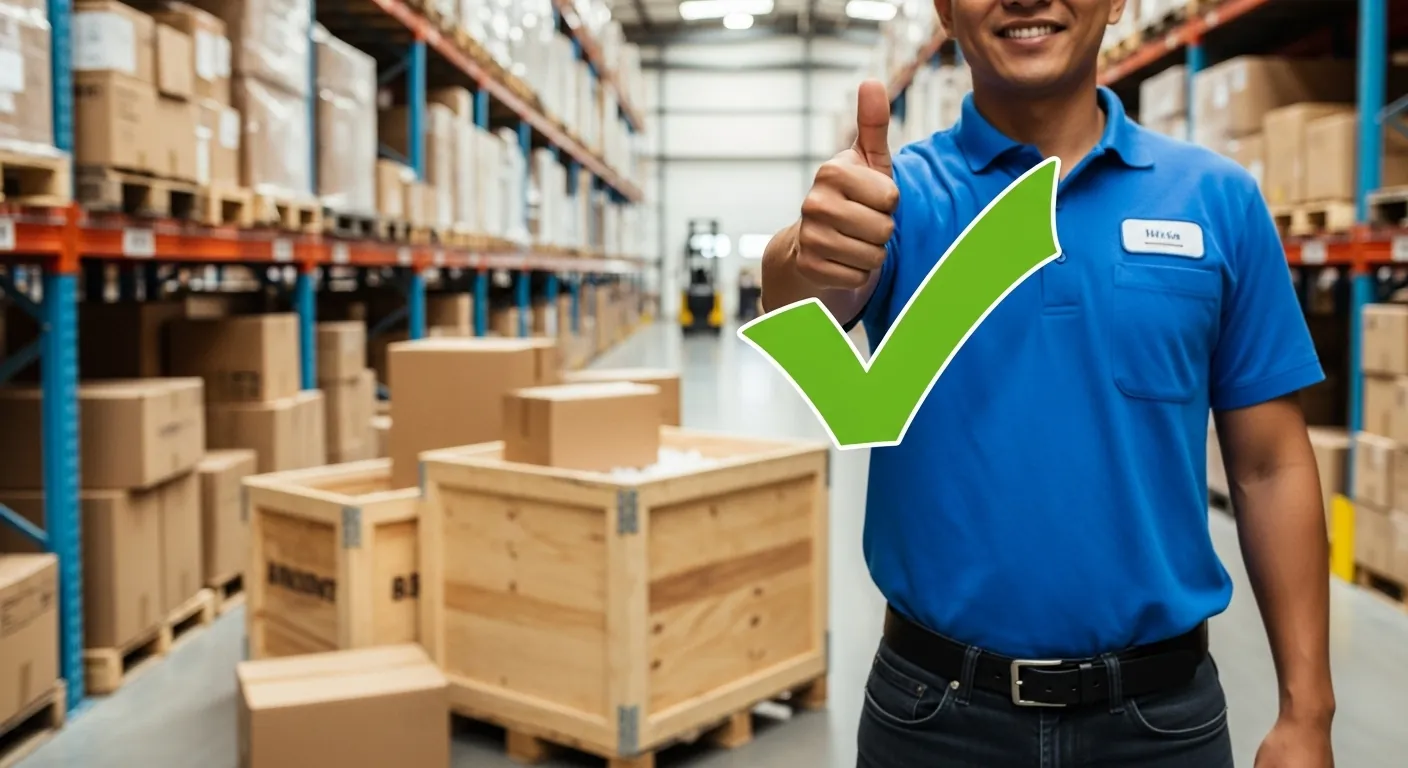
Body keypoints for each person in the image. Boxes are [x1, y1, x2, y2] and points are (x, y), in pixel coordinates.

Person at [760, 0, 1335, 765]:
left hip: (1160, 725)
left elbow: (1270, 466)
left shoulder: (1217, 201)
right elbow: (801, 305)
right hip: (933, 720)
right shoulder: (898, 200)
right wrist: (807, 252)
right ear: (943, 9)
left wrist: (1308, 710)